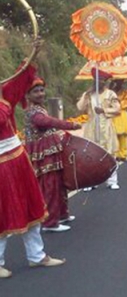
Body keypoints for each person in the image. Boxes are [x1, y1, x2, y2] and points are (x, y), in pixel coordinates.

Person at [0, 63, 65, 279]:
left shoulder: (5, 94)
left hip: (18, 158)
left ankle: (37, 255)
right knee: (3, 213)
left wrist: (32, 57)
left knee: (31, 205)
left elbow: (20, 80)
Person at [24, 77, 81, 232]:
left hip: (50, 150)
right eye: (36, 91)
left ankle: (62, 214)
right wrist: (71, 125)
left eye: (42, 90)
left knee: (59, 184)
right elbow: (48, 122)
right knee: (50, 186)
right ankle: (50, 222)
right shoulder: (34, 112)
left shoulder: (39, 108)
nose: (41, 94)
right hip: (44, 154)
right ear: (28, 96)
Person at [77, 68, 121, 190]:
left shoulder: (110, 94)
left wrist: (104, 110)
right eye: (97, 80)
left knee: (110, 154)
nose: (99, 82)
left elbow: (118, 110)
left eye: (102, 80)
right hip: (91, 127)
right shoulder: (89, 94)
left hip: (106, 127)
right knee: (91, 155)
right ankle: (92, 182)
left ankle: (112, 181)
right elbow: (80, 108)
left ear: (105, 81)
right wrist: (86, 96)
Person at [110, 79, 127, 161]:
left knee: (123, 136)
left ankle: (123, 155)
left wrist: (119, 103)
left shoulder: (126, 92)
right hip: (113, 115)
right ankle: (116, 154)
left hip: (122, 114)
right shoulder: (110, 92)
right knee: (114, 136)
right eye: (117, 82)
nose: (119, 83)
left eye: (121, 82)